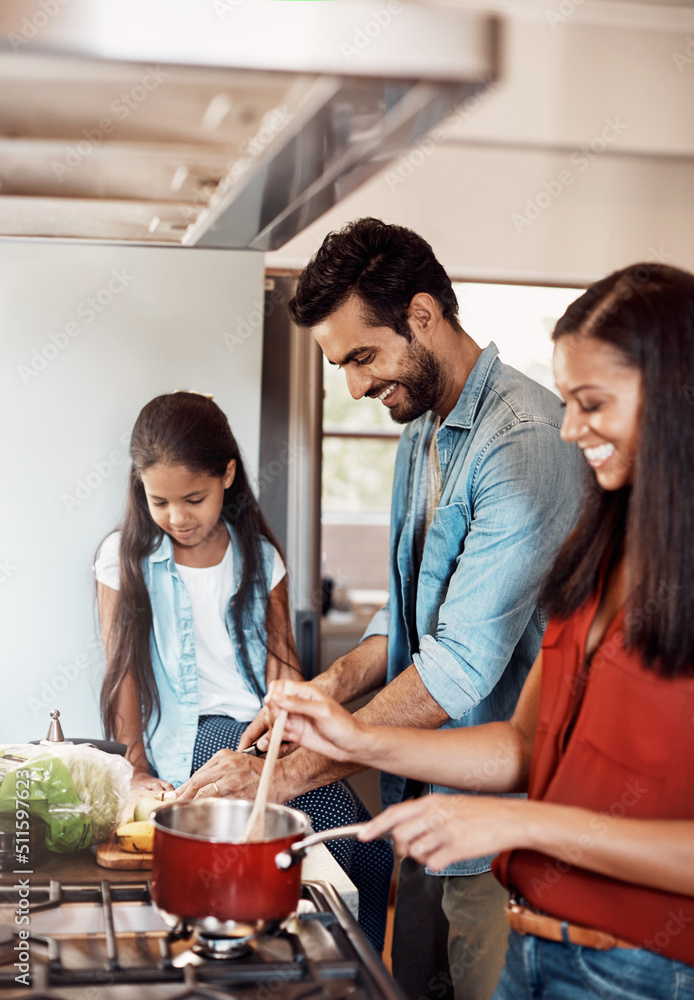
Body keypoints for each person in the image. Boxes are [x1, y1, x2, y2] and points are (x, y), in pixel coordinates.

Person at [263, 262, 694, 999]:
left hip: (638, 967)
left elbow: (461, 664)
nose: (568, 429)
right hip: (535, 934)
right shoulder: (600, 553)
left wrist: (519, 827)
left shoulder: (518, 444)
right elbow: (527, 745)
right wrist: (356, 737)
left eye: (591, 403)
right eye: (567, 401)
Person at [178, 219, 582, 1000]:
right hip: (421, 812)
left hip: (502, 831)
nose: (356, 387)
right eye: (342, 366)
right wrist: (329, 687)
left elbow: (453, 672)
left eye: (363, 357)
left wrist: (280, 773)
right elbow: (405, 616)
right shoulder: (423, 429)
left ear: (423, 316)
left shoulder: (523, 443)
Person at [94, 391, 392, 952]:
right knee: (324, 818)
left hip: (257, 731)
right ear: (140, 486)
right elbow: (122, 671)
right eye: (159, 501)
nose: (178, 517)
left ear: (227, 474)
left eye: (194, 498)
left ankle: (352, 976)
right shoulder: (123, 558)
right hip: (195, 735)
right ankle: (294, 961)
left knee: (373, 844)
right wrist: (133, 767)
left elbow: (284, 670)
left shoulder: (259, 557)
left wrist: (297, 742)